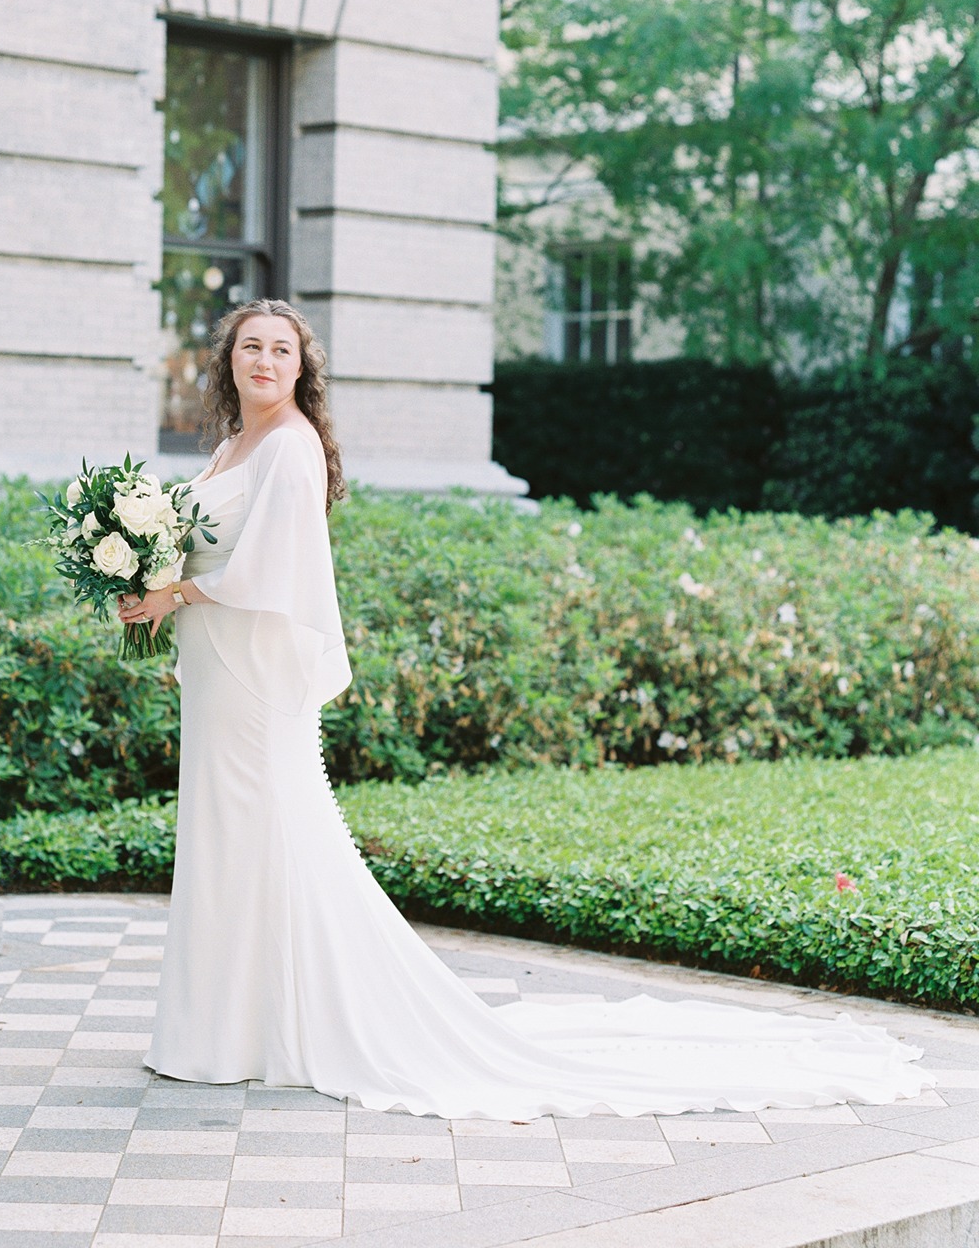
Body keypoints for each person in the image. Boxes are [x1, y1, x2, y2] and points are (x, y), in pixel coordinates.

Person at [118, 298, 931, 1119]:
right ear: (227, 361)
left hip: (255, 683)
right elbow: (201, 540)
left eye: (280, 350)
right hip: (219, 672)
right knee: (223, 837)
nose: (263, 361)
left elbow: (274, 569)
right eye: (249, 347)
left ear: (302, 367)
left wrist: (175, 589)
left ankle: (268, 1026)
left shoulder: (290, 447)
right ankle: (224, 1028)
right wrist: (145, 574)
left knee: (266, 834)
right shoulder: (229, 446)